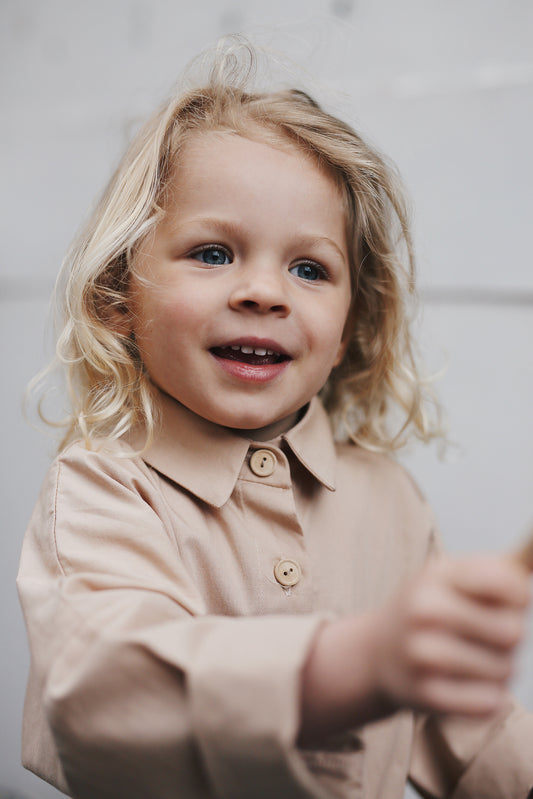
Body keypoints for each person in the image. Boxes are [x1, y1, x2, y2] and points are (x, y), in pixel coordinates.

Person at [17, 41, 533, 799]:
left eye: (308, 268)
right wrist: (358, 662)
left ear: (352, 325)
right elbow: (101, 690)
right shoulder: (102, 487)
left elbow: (452, 725)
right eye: (213, 251)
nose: (264, 291)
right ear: (118, 297)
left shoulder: (387, 497)